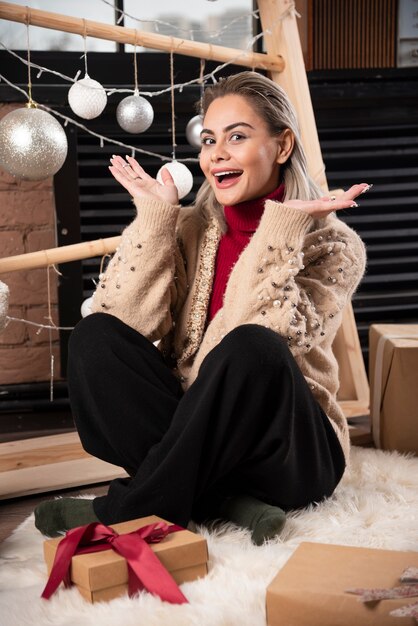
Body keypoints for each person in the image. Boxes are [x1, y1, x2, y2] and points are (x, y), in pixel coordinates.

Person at [34, 71, 368, 545]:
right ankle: (225, 502)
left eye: (238, 136)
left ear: (283, 145)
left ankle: (125, 509)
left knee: (253, 345)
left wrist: (282, 229)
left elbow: (265, 338)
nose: (217, 154)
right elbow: (123, 319)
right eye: (210, 139)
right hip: (197, 434)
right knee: (95, 336)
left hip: (289, 450)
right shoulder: (193, 227)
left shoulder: (335, 246)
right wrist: (155, 218)